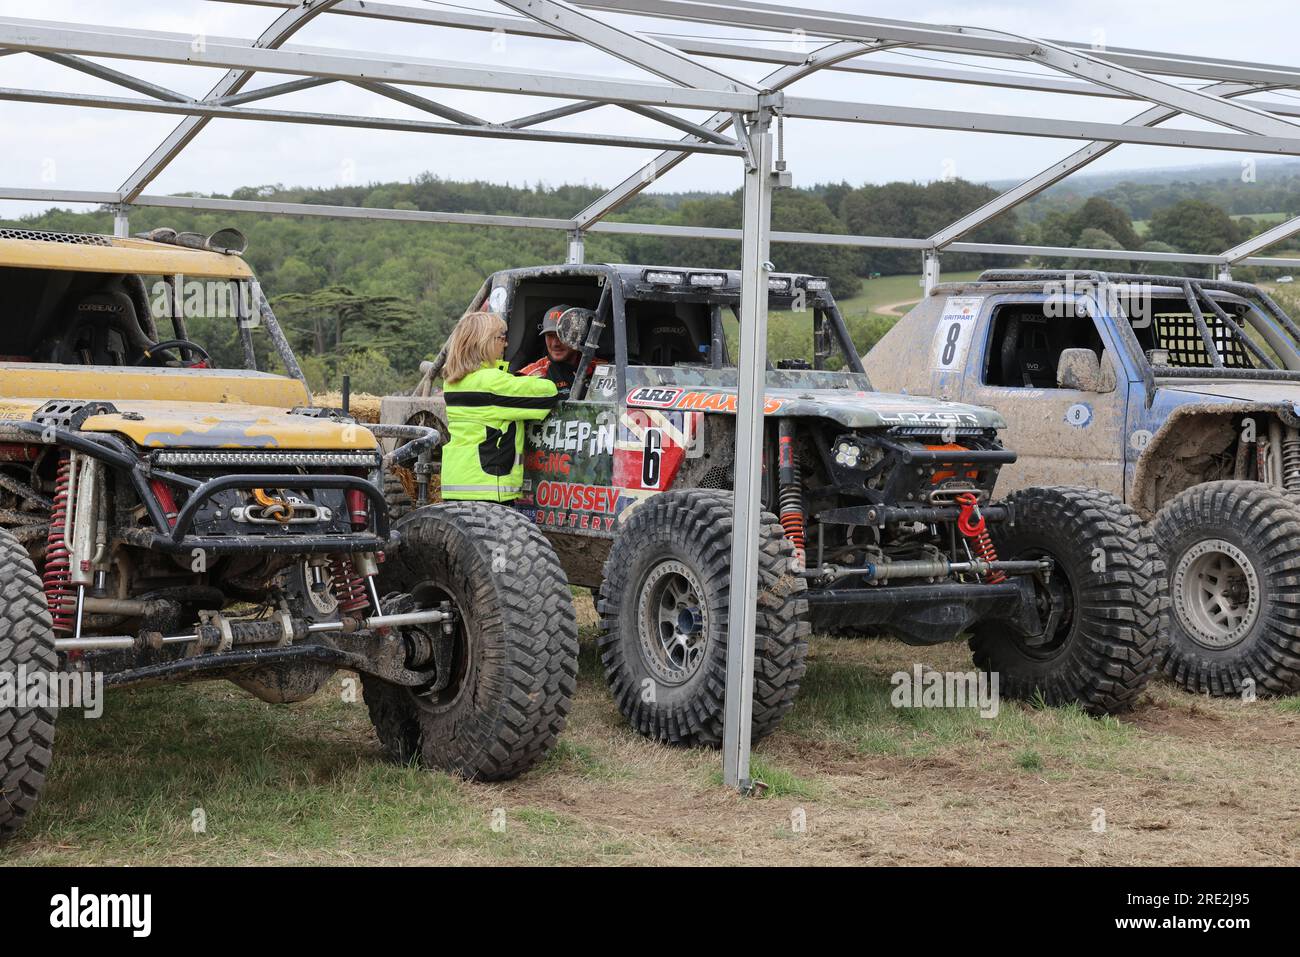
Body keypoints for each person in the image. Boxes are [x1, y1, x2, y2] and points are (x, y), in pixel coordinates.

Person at [441, 310, 560, 503]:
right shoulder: (492, 383)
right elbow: (547, 393)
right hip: (486, 488)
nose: (505, 344)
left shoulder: (454, 381)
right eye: (501, 337)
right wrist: (536, 375)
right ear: (484, 341)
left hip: (458, 483)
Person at [519, 304, 596, 391]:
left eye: (562, 335)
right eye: (550, 336)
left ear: (578, 336)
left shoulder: (600, 368)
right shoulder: (531, 375)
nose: (555, 343)